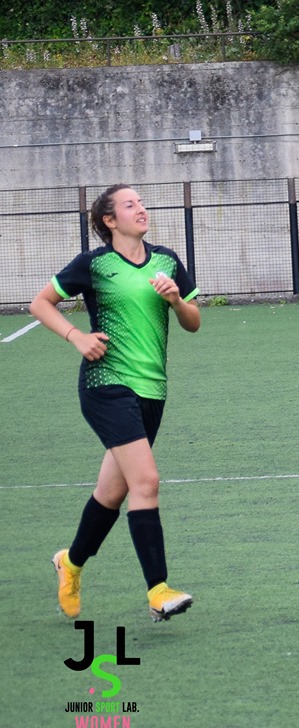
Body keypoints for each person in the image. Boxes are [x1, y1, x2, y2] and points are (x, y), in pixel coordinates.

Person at [35, 185, 201, 625]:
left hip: (152, 390)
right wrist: (76, 336)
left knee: (112, 492)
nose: (142, 209)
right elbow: (40, 303)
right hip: (105, 385)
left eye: (142, 202)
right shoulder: (94, 264)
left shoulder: (167, 261)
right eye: (131, 205)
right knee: (146, 480)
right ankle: (158, 591)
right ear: (110, 221)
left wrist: (175, 300)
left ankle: (70, 563)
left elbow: (194, 322)